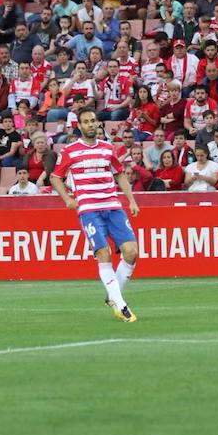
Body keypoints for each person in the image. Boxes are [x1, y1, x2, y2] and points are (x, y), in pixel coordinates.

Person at [50, 108, 139, 322]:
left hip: (113, 206)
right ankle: (121, 305)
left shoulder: (108, 149)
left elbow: (120, 175)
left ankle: (112, 296)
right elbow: (55, 177)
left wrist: (132, 200)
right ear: (79, 126)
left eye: (93, 121)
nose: (91, 124)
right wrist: (68, 199)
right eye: (86, 122)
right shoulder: (70, 151)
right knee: (104, 253)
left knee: (131, 252)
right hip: (89, 209)